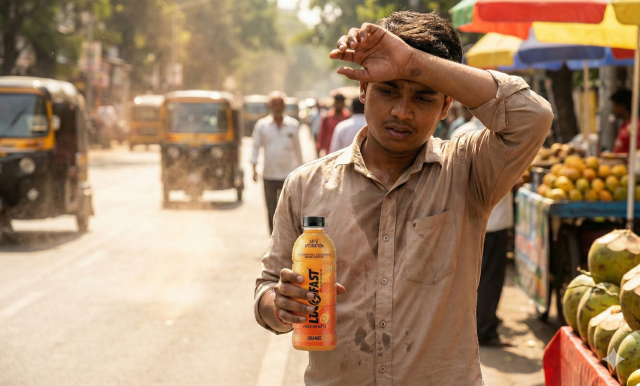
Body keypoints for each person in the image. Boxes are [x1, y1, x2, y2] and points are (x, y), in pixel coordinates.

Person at [254, 11, 552, 386]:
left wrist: (412, 63)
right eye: (388, 89)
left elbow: (533, 116)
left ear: (446, 107)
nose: (401, 112)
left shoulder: (468, 170)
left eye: (423, 97)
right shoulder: (306, 185)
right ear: (363, 89)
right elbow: (266, 289)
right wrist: (280, 306)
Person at [450, 119, 515, 347]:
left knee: (471, 276)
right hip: (492, 221)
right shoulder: (501, 135)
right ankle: (484, 330)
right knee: (489, 277)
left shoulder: (460, 132)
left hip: (468, 218)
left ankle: (475, 325)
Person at [251, 91, 303, 235]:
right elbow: (255, 147)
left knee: (288, 211)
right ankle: (273, 240)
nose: (277, 107)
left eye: (280, 104)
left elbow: (298, 150)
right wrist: (253, 168)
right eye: (274, 104)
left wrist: (302, 173)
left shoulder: (293, 125)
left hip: (288, 175)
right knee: (271, 209)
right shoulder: (262, 126)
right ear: (269, 106)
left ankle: (287, 241)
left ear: (284, 105)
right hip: (269, 174)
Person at [612, 89, 640, 153]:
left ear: (622, 106)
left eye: (615, 105)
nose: (613, 109)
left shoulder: (636, 125)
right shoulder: (624, 125)